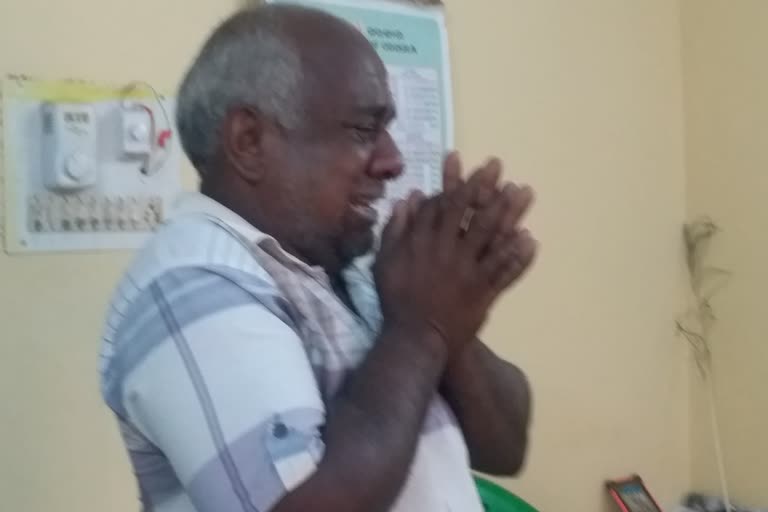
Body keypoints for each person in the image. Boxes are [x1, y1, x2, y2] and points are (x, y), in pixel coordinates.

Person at [99, 4, 537, 512]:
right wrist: (422, 330)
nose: (393, 161)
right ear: (249, 142)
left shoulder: (355, 264)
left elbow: (506, 447)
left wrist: (451, 312)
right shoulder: (190, 284)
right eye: (362, 130)